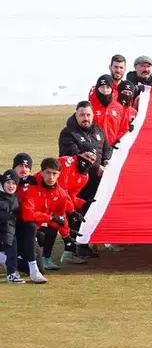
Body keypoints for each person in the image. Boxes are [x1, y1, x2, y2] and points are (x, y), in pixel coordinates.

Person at [58, 101, 112, 259]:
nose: (85, 118)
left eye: (88, 115)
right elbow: (76, 156)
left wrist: (107, 160)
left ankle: (84, 245)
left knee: (91, 212)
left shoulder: (98, 130)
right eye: (82, 115)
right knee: (74, 213)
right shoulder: (68, 133)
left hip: (96, 183)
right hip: (76, 182)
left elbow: (106, 147)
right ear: (76, 114)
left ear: (93, 115)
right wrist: (97, 168)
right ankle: (71, 249)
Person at [18, 158, 82, 283]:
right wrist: (50, 217)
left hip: (33, 230)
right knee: (31, 227)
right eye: (48, 173)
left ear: (59, 174)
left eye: (54, 173)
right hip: (17, 226)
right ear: (41, 172)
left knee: (47, 231)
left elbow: (60, 216)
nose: (51, 177)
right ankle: (20, 258)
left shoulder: (61, 194)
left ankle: (10, 257)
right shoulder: (30, 186)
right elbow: (27, 214)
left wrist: (66, 235)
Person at [89, 74, 130, 146]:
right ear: (97, 89)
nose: (105, 90)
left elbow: (123, 128)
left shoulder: (119, 107)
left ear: (112, 89)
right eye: (102, 87)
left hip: (114, 148)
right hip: (94, 148)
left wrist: (118, 141)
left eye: (108, 87)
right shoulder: (90, 107)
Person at [0, 169, 24, 283]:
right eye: (8, 182)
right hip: (5, 233)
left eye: (14, 183)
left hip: (9, 232)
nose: (11, 186)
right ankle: (11, 273)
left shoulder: (16, 199)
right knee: (11, 239)